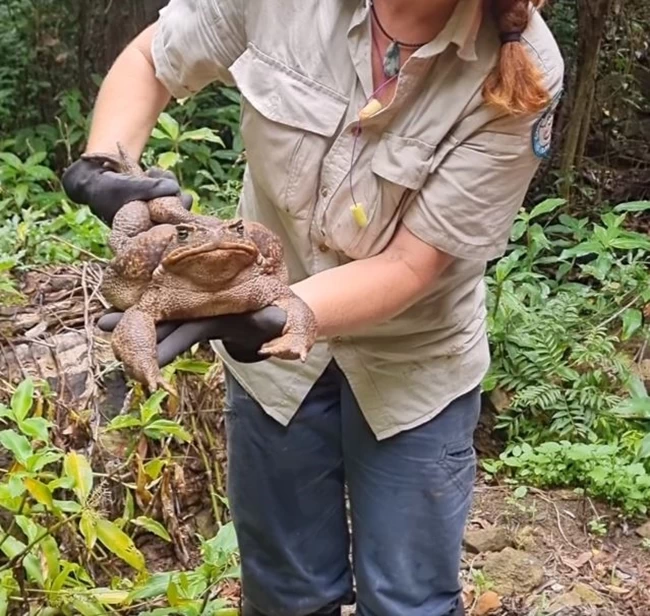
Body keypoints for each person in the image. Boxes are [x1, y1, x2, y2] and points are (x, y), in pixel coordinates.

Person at [62, 0, 564, 614]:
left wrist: (272, 308)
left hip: (412, 360)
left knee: (408, 599)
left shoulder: (523, 67)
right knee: (286, 595)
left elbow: (414, 264)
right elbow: (152, 59)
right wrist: (107, 167)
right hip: (271, 358)